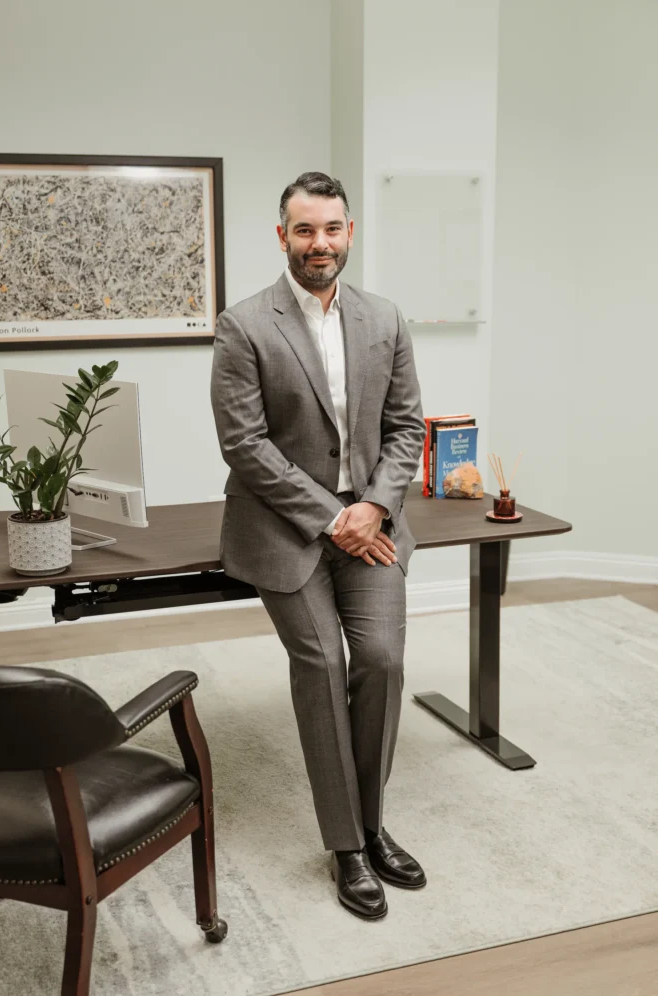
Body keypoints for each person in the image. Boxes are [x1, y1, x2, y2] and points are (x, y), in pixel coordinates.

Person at [210, 171, 426, 920]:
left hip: (372, 523)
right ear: (282, 237)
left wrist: (371, 505)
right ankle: (346, 847)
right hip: (284, 527)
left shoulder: (384, 319)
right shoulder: (245, 325)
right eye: (304, 231)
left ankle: (370, 821)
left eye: (331, 229)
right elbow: (243, 444)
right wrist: (333, 517)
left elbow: (404, 430)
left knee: (383, 660)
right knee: (321, 662)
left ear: (349, 232)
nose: (319, 244)